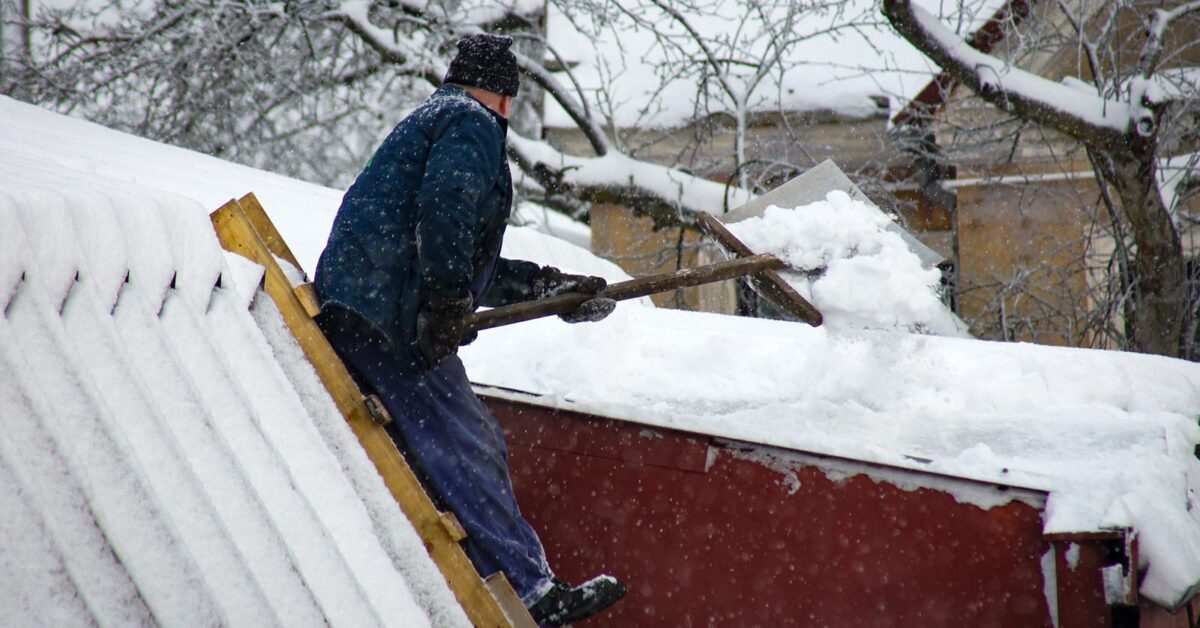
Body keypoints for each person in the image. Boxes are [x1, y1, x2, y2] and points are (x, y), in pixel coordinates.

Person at [312, 33, 627, 626]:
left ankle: (496, 583)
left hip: (364, 308)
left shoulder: (432, 121)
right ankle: (530, 590)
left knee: (450, 445)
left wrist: (550, 288)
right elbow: (447, 212)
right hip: (387, 320)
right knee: (468, 442)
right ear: (505, 98)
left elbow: (463, 252)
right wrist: (448, 304)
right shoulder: (470, 123)